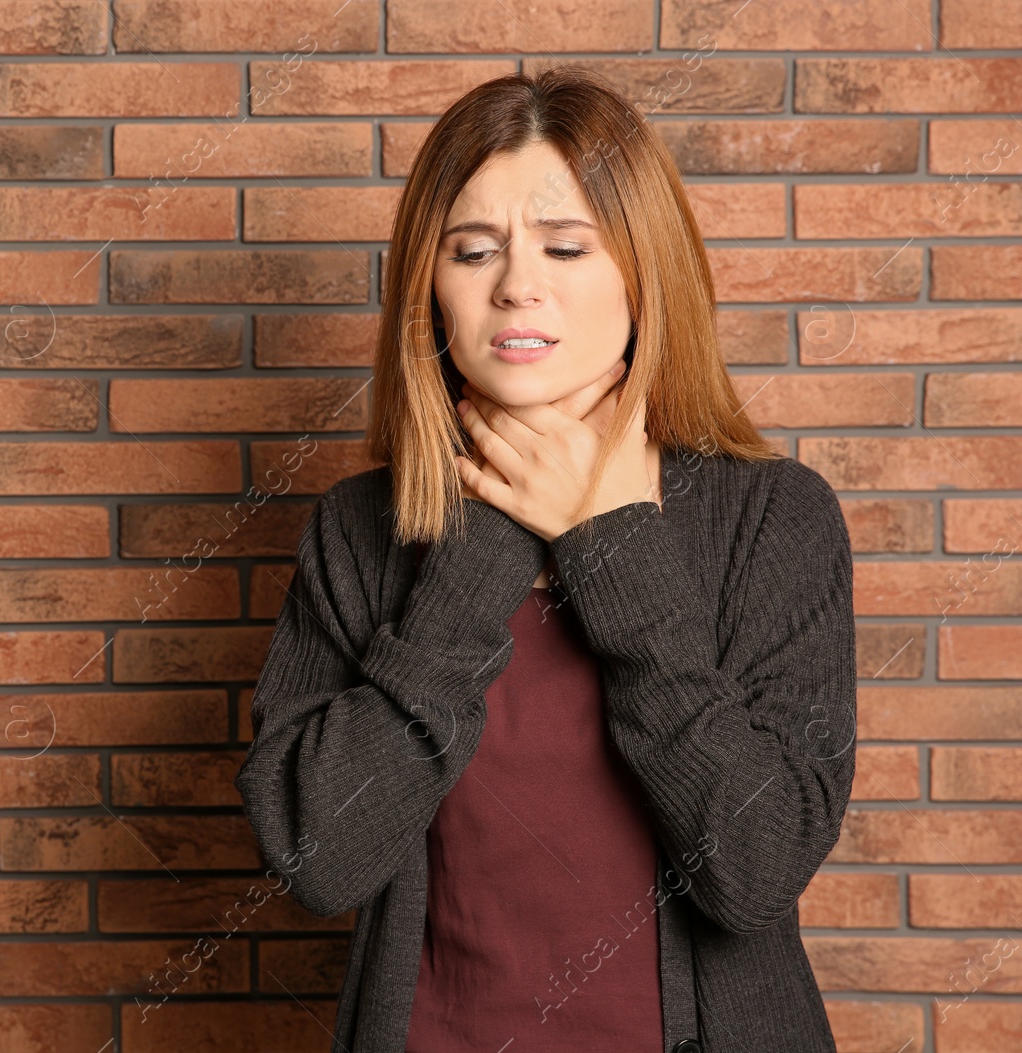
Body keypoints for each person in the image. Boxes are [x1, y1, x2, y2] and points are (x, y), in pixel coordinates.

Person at [234, 66, 857, 1053]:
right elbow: (320, 857)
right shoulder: (357, 530)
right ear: (430, 290)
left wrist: (609, 545)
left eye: (565, 246)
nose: (516, 283)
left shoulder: (771, 518)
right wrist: (487, 540)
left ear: (640, 274)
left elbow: (756, 866)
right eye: (472, 250)